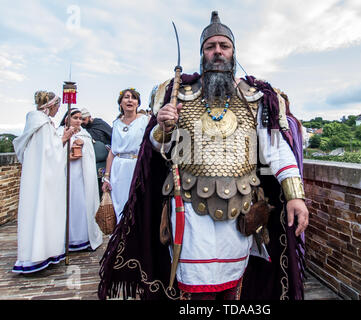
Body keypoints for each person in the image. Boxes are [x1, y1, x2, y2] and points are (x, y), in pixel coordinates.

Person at [98, 11, 308, 300]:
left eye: (224, 46)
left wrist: (295, 195)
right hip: (188, 203)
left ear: (234, 52)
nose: (218, 51)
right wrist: (162, 127)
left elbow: (275, 147)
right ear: (202, 54)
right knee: (194, 286)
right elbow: (160, 150)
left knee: (234, 283)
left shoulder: (255, 97)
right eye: (211, 47)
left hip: (240, 205)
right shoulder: (177, 94)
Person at [12, 90, 76, 273]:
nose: (58, 110)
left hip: (37, 177)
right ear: (50, 106)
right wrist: (65, 137)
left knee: (37, 212)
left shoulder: (36, 123)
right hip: (44, 179)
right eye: (57, 106)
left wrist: (62, 139)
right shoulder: (43, 125)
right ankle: (38, 254)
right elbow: (50, 153)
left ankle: (42, 252)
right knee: (41, 212)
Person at [57, 108, 103, 251]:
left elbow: (90, 156)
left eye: (79, 118)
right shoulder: (58, 133)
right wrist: (66, 149)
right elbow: (53, 152)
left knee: (82, 206)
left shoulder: (85, 135)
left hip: (82, 178)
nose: (78, 121)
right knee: (67, 205)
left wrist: (82, 146)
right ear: (67, 119)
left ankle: (84, 238)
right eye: (75, 118)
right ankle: (66, 239)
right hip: (65, 175)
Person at [101, 88, 150, 224]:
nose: (130, 100)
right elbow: (112, 151)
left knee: (136, 203)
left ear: (137, 103)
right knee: (119, 203)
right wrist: (107, 177)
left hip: (136, 165)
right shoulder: (116, 124)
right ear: (120, 102)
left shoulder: (145, 121)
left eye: (133, 98)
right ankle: (119, 238)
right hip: (118, 168)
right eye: (126, 97)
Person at [80, 108, 112, 199]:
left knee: (102, 188)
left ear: (89, 117)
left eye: (84, 119)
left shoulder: (99, 124)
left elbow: (111, 135)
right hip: (91, 163)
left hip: (104, 162)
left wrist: (108, 146)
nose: (82, 122)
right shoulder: (83, 129)